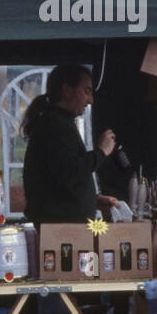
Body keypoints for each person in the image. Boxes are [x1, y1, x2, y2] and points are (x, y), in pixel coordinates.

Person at [22, 64, 117, 225]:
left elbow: (60, 180)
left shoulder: (58, 123)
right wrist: (101, 152)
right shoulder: (54, 126)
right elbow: (72, 171)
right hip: (60, 230)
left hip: (64, 226)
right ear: (67, 90)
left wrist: (92, 200)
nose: (91, 100)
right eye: (86, 91)